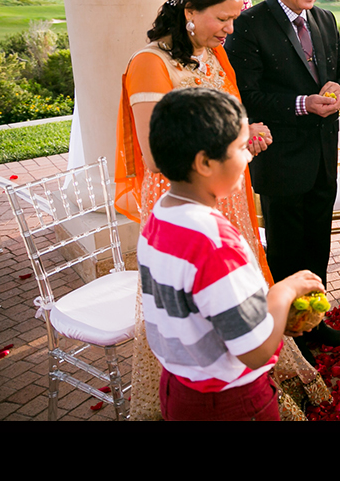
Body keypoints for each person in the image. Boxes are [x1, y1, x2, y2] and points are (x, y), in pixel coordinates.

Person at [115, 0, 328, 420]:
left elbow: (229, 112)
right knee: (205, 295)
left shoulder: (213, 54)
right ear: (190, 9)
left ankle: (252, 374)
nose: (230, 30)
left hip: (219, 189)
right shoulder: (149, 63)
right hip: (183, 196)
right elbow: (156, 155)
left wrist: (246, 133)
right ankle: (224, 379)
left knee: (230, 290)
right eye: (224, 18)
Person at [138, 87, 326, 420]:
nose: (249, 156)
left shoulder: (160, 215)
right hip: (229, 401)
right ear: (205, 163)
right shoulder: (213, 241)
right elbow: (254, 352)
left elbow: (207, 310)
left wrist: (273, 318)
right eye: (240, 148)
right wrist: (285, 292)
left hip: (180, 389)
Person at [225, 0, 340, 349]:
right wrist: (304, 104)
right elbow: (246, 95)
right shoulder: (249, 25)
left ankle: (315, 323)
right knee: (286, 253)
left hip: (322, 155)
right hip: (280, 160)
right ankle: (291, 342)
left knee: (318, 246)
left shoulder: (325, 19)